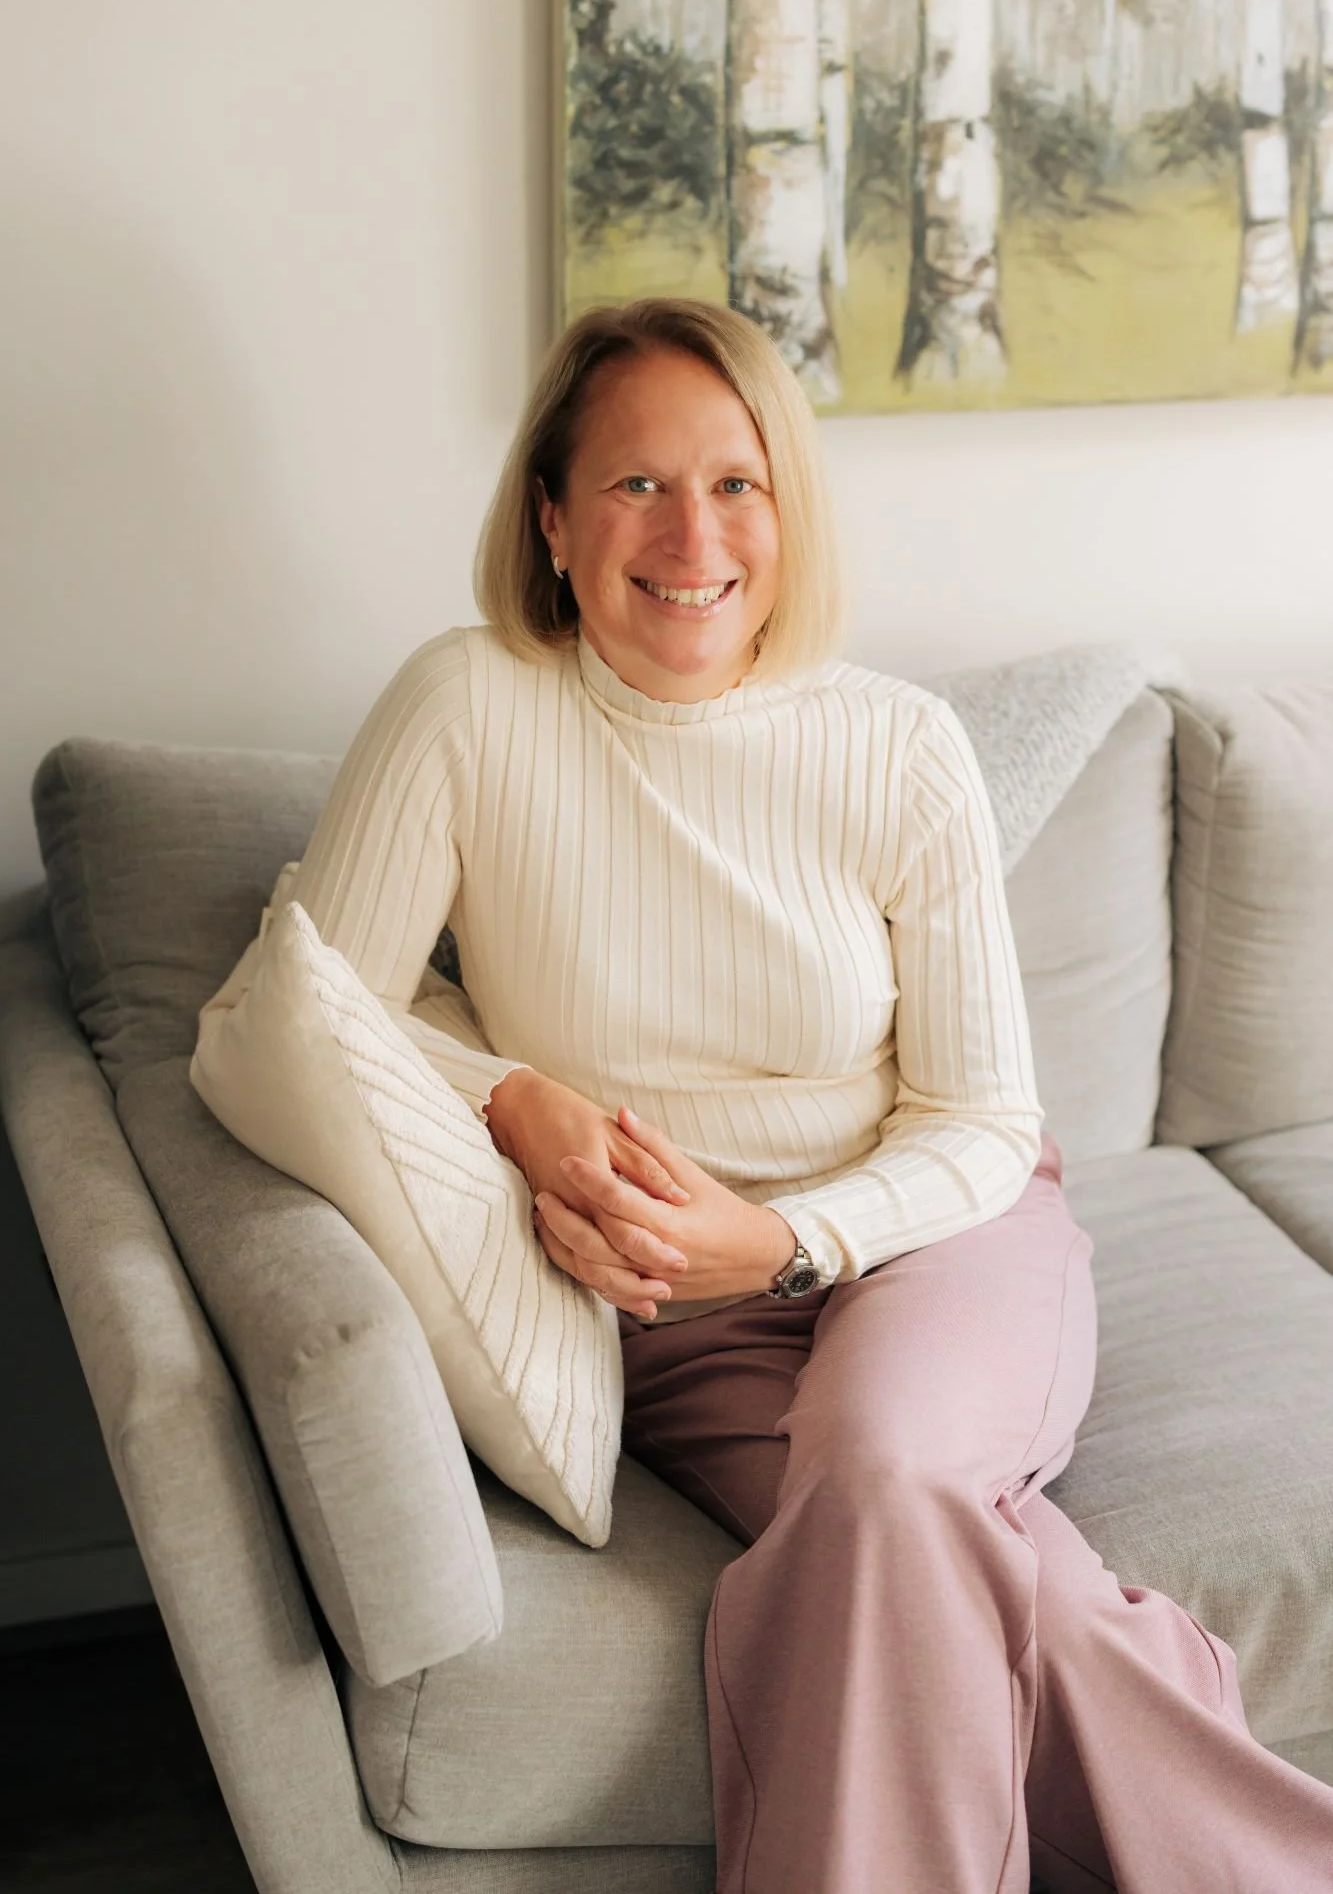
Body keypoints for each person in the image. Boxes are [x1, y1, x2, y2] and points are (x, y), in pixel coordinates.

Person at [278, 298, 1333, 1893]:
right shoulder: (466, 706)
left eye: (737, 483)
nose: (691, 537)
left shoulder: (900, 745)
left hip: (942, 1241)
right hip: (679, 1322)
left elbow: (982, 1121)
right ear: (551, 518)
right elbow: (302, 1003)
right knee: (970, 1579)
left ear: (789, 510)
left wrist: (781, 1242)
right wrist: (514, 1098)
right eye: (636, 485)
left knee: (891, 1468)